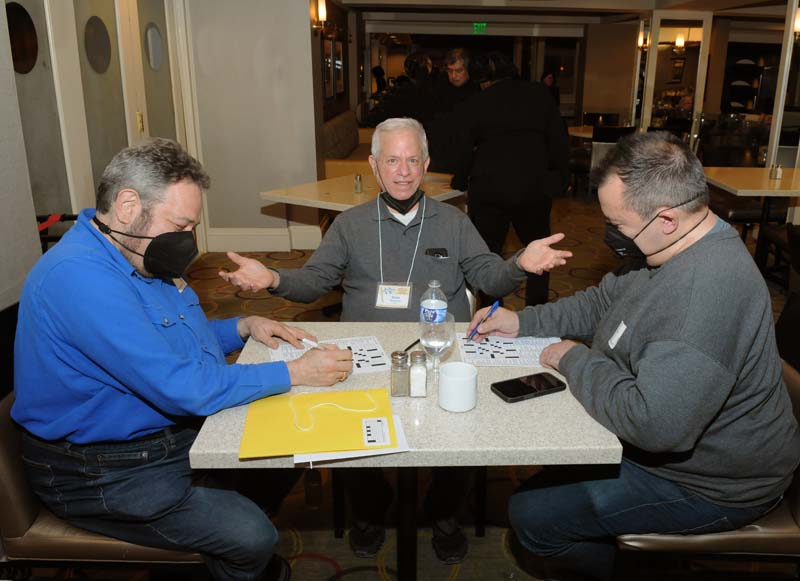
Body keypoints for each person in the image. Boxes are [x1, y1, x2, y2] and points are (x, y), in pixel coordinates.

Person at [220, 117, 572, 563]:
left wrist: (521, 261)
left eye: (412, 160)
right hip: (364, 353)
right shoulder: (348, 225)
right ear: (373, 164)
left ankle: (445, 515)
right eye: (392, 160)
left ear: (426, 164)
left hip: (440, 349)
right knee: (337, 422)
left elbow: (488, 275)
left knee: (467, 423)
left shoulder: (453, 220)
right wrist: (272, 276)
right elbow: (312, 282)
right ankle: (369, 511)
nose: (403, 171)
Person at [12, 138, 354, 581]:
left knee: (286, 451)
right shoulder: (79, 278)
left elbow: (172, 340)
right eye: (180, 224)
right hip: (97, 470)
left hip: (158, 439)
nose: (189, 241)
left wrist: (242, 326)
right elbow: (185, 386)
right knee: (251, 536)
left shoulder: (133, 255)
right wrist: (294, 371)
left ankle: (206, 548)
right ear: (128, 206)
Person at [467, 131, 800, 581]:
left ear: (664, 218)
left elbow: (655, 425)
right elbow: (604, 301)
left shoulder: (702, 297)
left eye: (618, 225)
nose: (611, 235)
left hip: (714, 484)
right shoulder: (680, 241)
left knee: (531, 516)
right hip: (687, 450)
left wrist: (573, 359)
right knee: (556, 464)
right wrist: (522, 323)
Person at [451, 52, 570, 308]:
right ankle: (536, 312)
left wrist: (460, 181)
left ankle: (492, 314)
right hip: (533, 187)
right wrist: (560, 179)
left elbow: (463, 148)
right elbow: (559, 139)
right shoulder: (540, 94)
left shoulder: (479, 101)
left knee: (487, 256)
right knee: (539, 251)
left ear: (485, 80)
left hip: (490, 188)